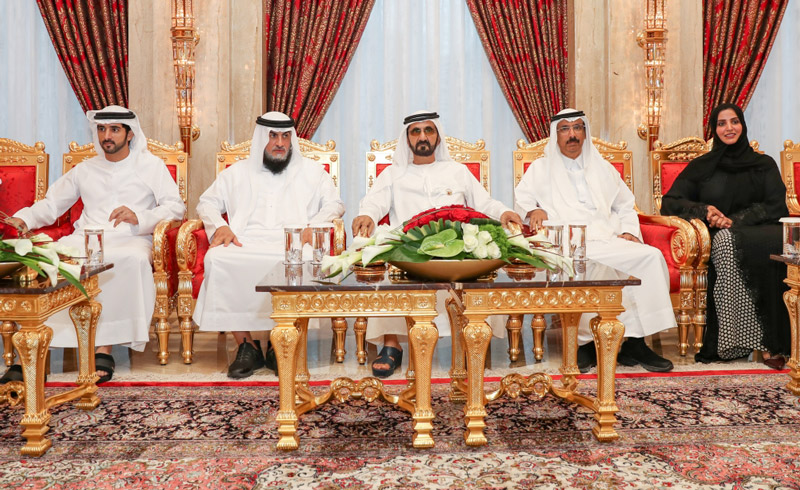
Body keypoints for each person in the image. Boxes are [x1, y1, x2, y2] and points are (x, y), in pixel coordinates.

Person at [1, 105, 185, 384]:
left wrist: (139, 216)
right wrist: (24, 219)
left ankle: (103, 349)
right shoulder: (85, 169)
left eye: (114, 129)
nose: (106, 135)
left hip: (131, 239)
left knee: (128, 261)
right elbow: (52, 204)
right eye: (101, 129)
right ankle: (35, 353)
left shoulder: (151, 167)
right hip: (84, 239)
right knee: (51, 262)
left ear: (130, 134)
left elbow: (175, 207)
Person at [353, 110, 523, 378]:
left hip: (456, 252)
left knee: (479, 260)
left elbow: (484, 202)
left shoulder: (457, 171)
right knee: (389, 259)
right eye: (416, 131)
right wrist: (367, 214)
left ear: (438, 136)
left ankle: (471, 339)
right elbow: (374, 203)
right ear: (407, 138)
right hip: (410, 252)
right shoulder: (393, 174)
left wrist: (503, 212)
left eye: (428, 130)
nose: (422, 136)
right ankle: (392, 343)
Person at [514, 108, 676, 373]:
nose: (572, 134)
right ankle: (585, 345)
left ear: (585, 132)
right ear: (556, 135)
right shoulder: (540, 169)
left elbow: (625, 205)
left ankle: (636, 342)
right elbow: (522, 200)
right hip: (569, 242)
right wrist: (534, 210)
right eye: (565, 129)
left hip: (608, 238)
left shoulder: (603, 167)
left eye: (578, 127)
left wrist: (629, 231)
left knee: (650, 256)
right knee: (584, 263)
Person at [193, 111, 344, 379]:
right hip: (246, 240)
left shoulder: (312, 172)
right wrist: (220, 226)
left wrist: (315, 224)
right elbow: (207, 202)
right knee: (218, 259)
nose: (280, 143)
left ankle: (280, 342)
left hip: (293, 241)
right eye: (273, 136)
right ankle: (246, 345)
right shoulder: (237, 172)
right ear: (261, 138)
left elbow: (335, 204)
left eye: (285, 136)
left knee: (303, 260)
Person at [661, 103, 790, 369]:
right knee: (726, 242)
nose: (729, 128)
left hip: (760, 228)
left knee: (781, 246)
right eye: (721, 123)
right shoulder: (702, 167)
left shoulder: (763, 164)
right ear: (714, 129)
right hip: (723, 235)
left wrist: (737, 220)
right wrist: (705, 210)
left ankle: (774, 343)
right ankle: (733, 342)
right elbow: (671, 202)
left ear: (742, 125)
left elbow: (776, 205)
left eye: (734, 121)